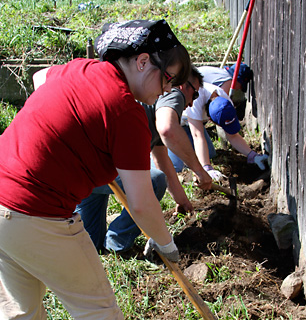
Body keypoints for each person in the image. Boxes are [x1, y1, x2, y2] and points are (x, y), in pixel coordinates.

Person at [0, 18, 191, 320]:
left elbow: (42, 78)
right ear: (143, 61)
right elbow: (142, 201)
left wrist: (71, 127)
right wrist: (166, 244)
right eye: (168, 79)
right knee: (97, 307)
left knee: (20, 311)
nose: (167, 90)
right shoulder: (127, 112)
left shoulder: (81, 69)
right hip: (36, 213)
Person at [76, 66, 213, 254]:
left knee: (90, 246)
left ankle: (106, 246)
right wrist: (200, 171)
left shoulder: (153, 107)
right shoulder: (173, 92)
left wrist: (181, 200)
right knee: (154, 181)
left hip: (82, 166)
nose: (191, 103)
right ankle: (117, 244)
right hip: (97, 167)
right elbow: (168, 129)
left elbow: (162, 160)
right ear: (183, 85)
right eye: (194, 95)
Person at [168, 81, 268, 180]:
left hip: (190, 123)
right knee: (176, 166)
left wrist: (252, 155)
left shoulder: (224, 100)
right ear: (210, 120)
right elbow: (197, 135)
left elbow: (232, 135)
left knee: (210, 153)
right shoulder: (195, 100)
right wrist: (206, 168)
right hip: (172, 125)